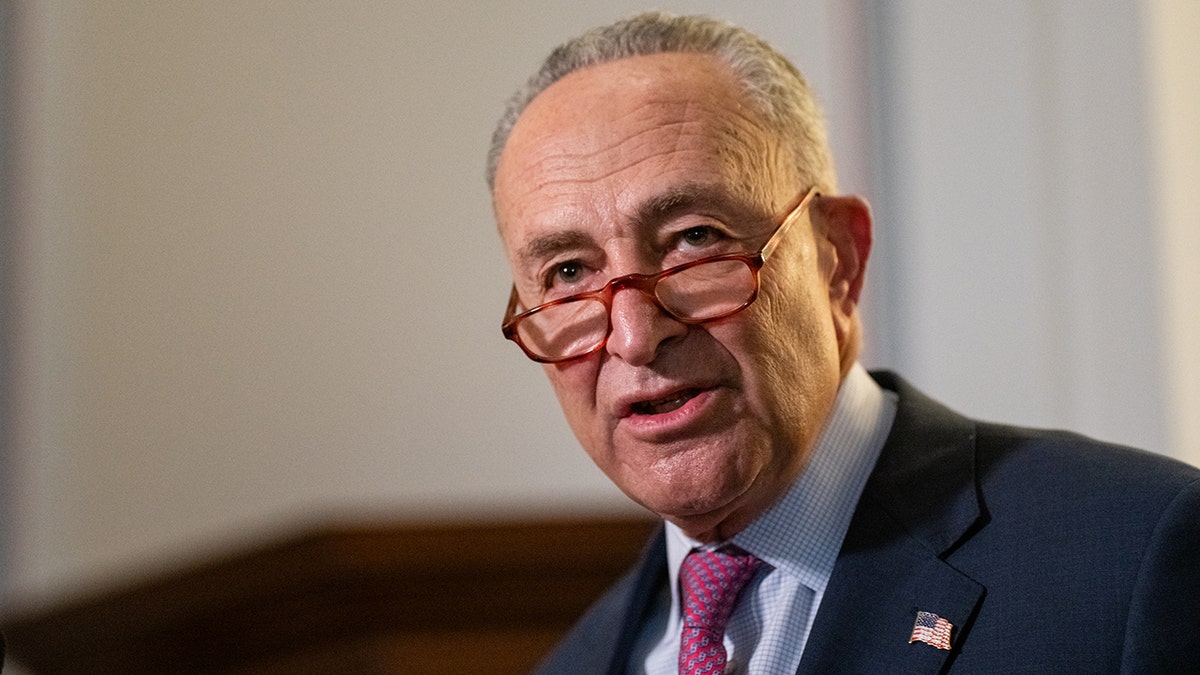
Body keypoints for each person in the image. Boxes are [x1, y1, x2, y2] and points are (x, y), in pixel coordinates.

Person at [486, 12, 1200, 674]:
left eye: (695, 240)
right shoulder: (577, 660)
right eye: (569, 273)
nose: (635, 336)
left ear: (838, 260)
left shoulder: (1135, 558)